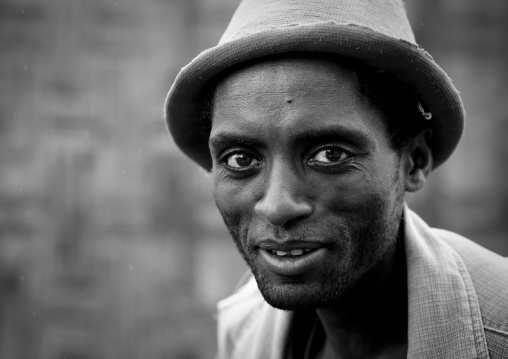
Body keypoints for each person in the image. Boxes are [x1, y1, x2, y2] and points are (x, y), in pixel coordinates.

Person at [164, 0, 508, 358]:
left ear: (414, 161)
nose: (277, 206)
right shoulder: (243, 329)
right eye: (240, 158)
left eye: (330, 155)